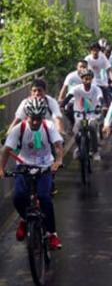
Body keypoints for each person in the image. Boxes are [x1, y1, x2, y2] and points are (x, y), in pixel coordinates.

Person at [0, 98, 64, 249]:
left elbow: (58, 145)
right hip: (24, 166)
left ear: (42, 117)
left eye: (38, 119)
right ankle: (24, 219)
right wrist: (1, 168)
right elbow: (6, 150)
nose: (35, 122)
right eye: (32, 119)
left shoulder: (48, 126)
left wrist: (58, 161)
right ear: (27, 116)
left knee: (44, 197)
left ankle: (52, 234)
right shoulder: (19, 129)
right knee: (18, 197)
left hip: (44, 167)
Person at [71, 69, 104, 160]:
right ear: (81, 79)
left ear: (92, 79)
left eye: (89, 78)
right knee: (77, 131)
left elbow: (100, 97)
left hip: (92, 114)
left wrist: (100, 105)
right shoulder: (76, 89)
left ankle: (95, 151)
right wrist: (63, 104)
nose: (87, 81)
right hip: (79, 114)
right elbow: (69, 96)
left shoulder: (96, 89)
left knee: (93, 127)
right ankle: (79, 148)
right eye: (85, 79)